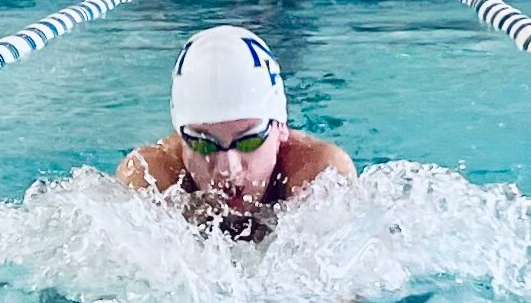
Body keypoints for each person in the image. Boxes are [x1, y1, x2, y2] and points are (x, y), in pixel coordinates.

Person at [116, 25, 356, 242]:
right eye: (203, 144)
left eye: (249, 140)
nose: (227, 169)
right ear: (181, 138)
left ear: (280, 127)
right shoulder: (150, 179)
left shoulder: (319, 174)